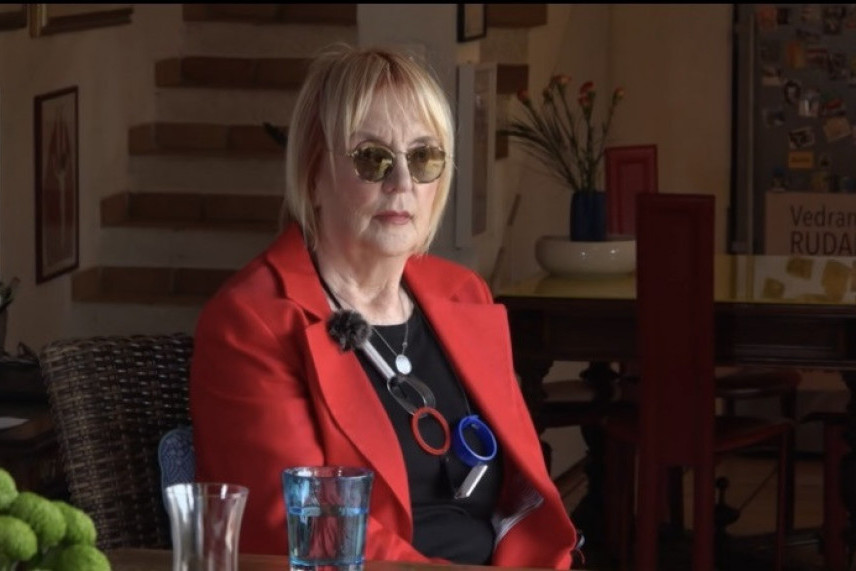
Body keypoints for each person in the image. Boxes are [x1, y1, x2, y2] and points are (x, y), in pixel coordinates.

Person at [189, 43, 578, 568]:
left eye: (423, 157)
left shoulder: (463, 294)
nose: (403, 183)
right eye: (372, 158)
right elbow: (306, 535)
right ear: (313, 174)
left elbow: (524, 502)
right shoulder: (252, 321)